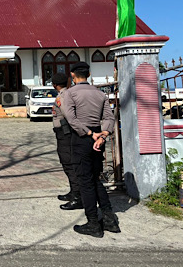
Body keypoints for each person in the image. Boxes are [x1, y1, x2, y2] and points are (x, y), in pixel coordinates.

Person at [61, 62, 120, 238]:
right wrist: (102, 135)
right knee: (95, 179)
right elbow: (109, 117)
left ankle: (93, 223)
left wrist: (89, 133)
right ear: (89, 74)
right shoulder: (100, 94)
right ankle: (109, 219)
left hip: (81, 139)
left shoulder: (70, 94)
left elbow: (71, 119)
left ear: (72, 75)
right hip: (97, 141)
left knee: (85, 182)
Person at [51, 72, 82, 211]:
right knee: (67, 163)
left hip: (66, 134)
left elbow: (68, 115)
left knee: (69, 163)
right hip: (64, 133)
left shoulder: (62, 97)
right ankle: (73, 192)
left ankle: (77, 197)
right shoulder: (67, 94)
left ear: (54, 85)